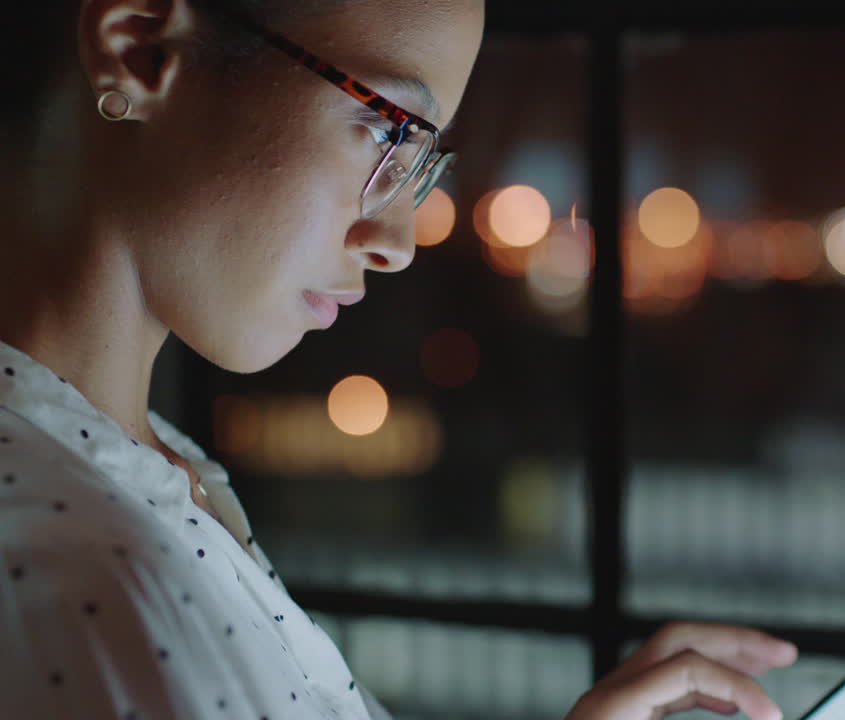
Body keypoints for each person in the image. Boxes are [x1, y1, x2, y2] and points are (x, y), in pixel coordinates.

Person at [0, 1, 799, 718]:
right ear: (141, 49)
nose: (397, 243)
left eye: (420, 167)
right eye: (387, 132)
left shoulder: (147, 481)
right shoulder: (76, 573)